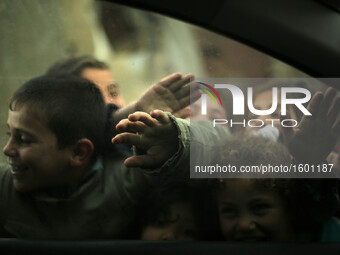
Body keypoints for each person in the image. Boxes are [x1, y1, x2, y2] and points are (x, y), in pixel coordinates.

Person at [0, 75, 201, 239]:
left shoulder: (123, 183)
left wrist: (173, 139)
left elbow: (206, 158)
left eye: (24, 139)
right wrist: (115, 120)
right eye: (11, 135)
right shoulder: (5, 189)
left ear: (79, 153)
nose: (7, 150)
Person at [213, 135, 340, 242]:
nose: (244, 225)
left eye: (259, 207)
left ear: (290, 206)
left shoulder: (331, 236)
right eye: (229, 211)